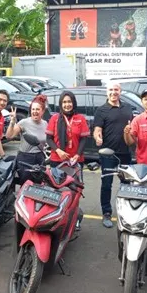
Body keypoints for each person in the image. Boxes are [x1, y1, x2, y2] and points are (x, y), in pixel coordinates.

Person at [45, 91, 90, 230]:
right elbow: (49, 139)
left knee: (74, 191)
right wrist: (58, 150)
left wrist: (77, 154)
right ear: (61, 104)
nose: (67, 104)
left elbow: (84, 139)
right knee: (56, 190)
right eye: (64, 102)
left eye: (69, 102)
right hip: (57, 160)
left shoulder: (80, 118)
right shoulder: (54, 119)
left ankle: (74, 219)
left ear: (73, 103)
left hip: (75, 161)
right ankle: (56, 217)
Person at [93, 83, 134, 228]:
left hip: (125, 153)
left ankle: (128, 213)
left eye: (116, 90)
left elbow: (132, 127)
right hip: (108, 154)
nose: (113, 92)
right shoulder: (101, 110)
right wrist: (98, 138)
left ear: (120, 92)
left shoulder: (128, 108)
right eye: (111, 90)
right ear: (107, 92)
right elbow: (97, 129)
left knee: (127, 185)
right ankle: (106, 213)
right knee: (106, 185)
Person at [5, 94, 49, 185]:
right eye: (33, 109)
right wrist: (12, 123)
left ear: (43, 111)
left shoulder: (45, 124)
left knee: (38, 184)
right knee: (25, 184)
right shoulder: (24, 122)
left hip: (40, 157)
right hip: (25, 158)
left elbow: (48, 142)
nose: (35, 111)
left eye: (37, 109)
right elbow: (9, 136)